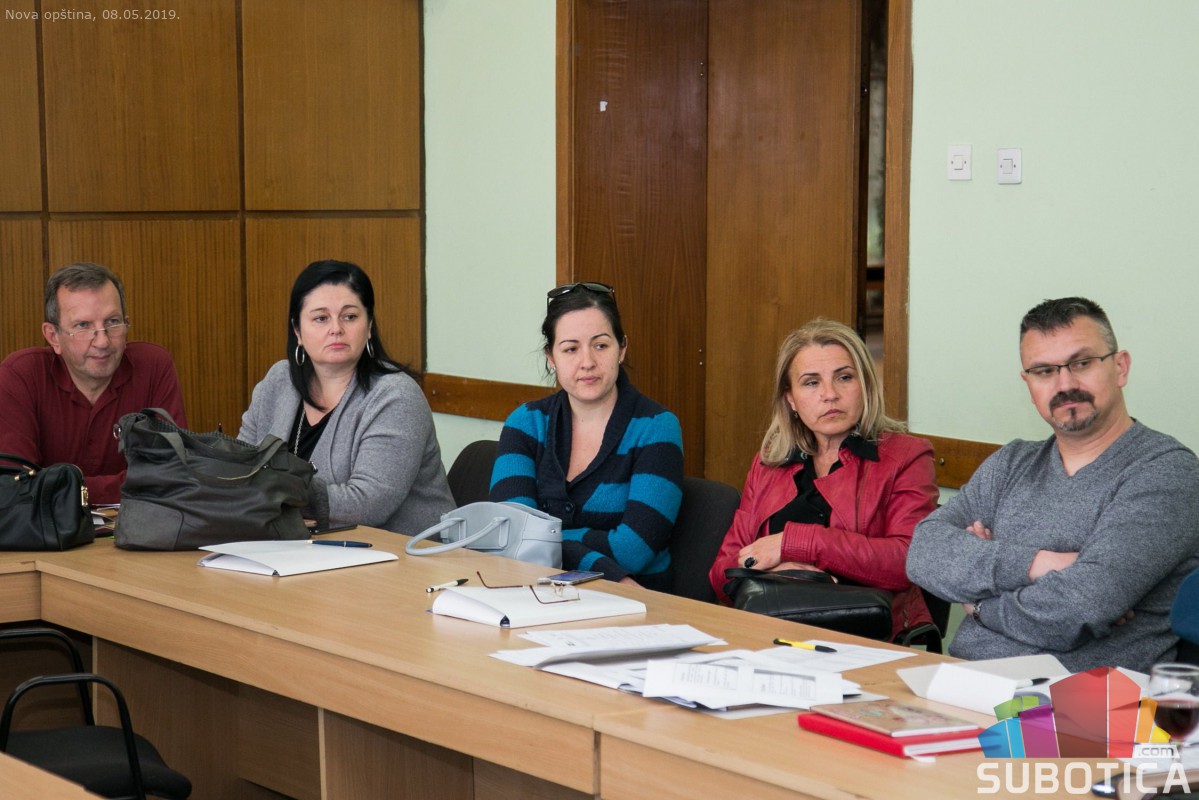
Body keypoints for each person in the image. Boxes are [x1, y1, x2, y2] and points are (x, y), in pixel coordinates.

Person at [907, 297, 1199, 672]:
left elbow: (1082, 606)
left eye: (1082, 363)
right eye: (1044, 371)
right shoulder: (1011, 462)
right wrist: (1039, 564)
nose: (1065, 384)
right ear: (1028, 384)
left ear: (1120, 367)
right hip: (962, 682)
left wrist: (979, 604)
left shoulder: (1166, 471)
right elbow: (923, 554)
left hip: (1081, 700)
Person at [708, 319, 938, 640]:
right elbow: (721, 570)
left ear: (866, 385)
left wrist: (794, 544)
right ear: (791, 399)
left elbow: (910, 561)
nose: (830, 395)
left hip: (866, 638)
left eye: (844, 377)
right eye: (811, 382)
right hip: (770, 633)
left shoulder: (906, 456)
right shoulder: (769, 462)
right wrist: (784, 575)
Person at [488, 282, 684, 590]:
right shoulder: (525, 424)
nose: (588, 362)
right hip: (538, 592)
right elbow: (511, 538)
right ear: (551, 357)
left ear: (622, 348)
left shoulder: (656, 427)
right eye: (570, 349)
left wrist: (548, 541)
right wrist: (598, 561)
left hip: (635, 598)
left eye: (601, 345)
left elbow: (634, 551)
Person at [238, 260, 454, 534]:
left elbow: (369, 505)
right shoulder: (279, 382)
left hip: (401, 552)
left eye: (349, 316)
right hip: (298, 545)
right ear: (297, 330)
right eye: (321, 318)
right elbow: (240, 467)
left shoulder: (396, 396)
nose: (336, 329)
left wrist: (276, 491)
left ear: (369, 326)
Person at [0, 262, 186, 505]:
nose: (102, 341)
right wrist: (132, 484)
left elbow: (172, 474)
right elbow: (14, 488)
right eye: (83, 326)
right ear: (53, 336)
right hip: (44, 529)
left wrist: (56, 488)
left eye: (112, 322)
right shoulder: (21, 375)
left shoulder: (154, 367)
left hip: (140, 524)